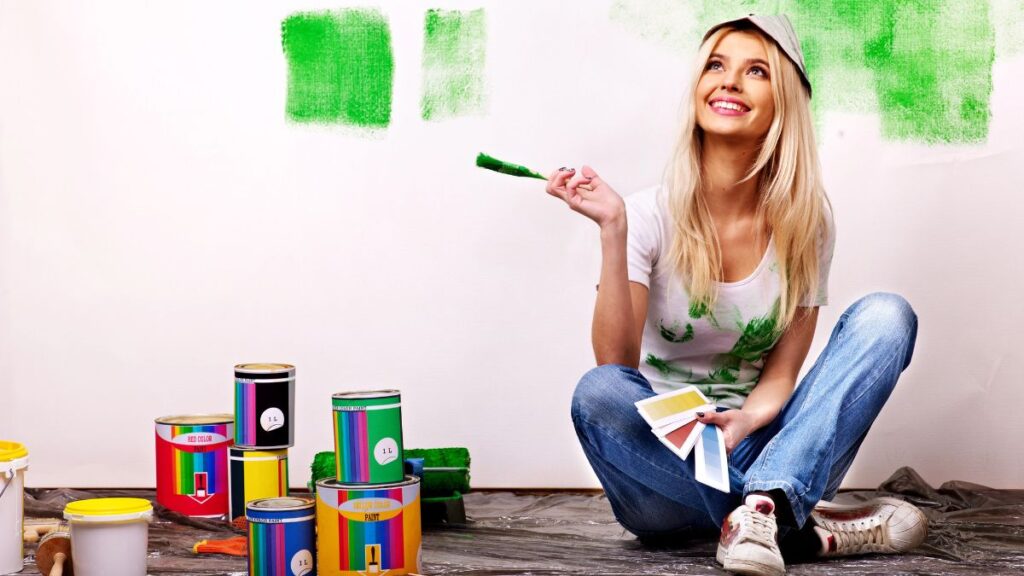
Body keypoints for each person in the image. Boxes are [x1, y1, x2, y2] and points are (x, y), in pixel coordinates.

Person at [545, 14, 926, 576]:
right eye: (717, 66)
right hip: (665, 470)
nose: (729, 81)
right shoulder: (648, 215)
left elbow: (782, 373)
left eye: (755, 72)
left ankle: (763, 508)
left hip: (767, 444)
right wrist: (613, 229)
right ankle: (790, 521)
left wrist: (749, 421)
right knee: (598, 391)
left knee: (887, 316)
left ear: (783, 104)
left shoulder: (806, 223)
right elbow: (616, 366)